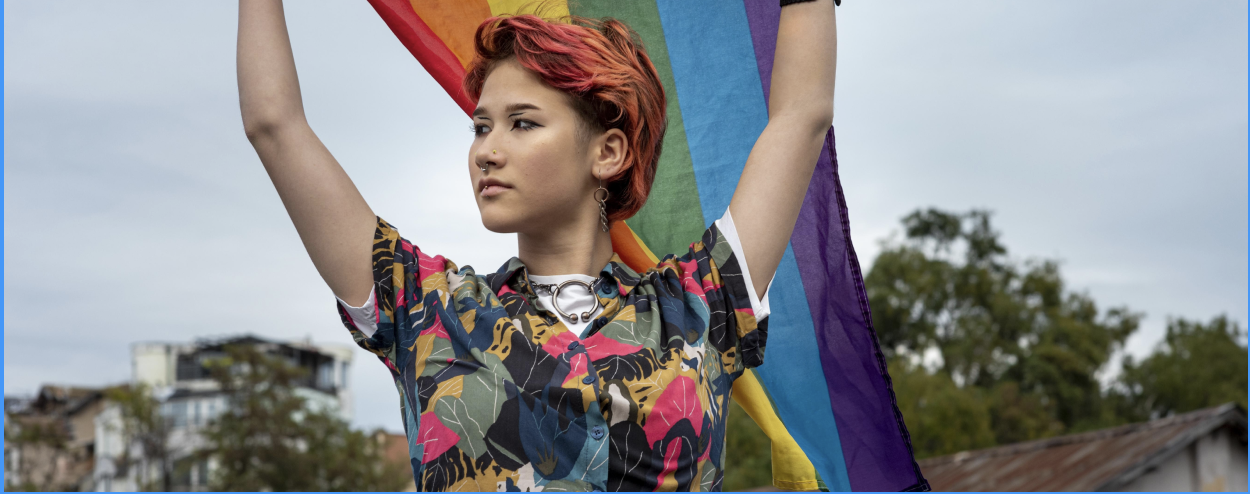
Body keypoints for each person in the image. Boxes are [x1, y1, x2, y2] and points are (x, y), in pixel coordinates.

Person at [237, 0, 836, 490]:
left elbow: (801, 114)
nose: (486, 150)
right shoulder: (422, 308)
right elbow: (274, 124)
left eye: (522, 122)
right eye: (480, 126)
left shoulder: (701, 306)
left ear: (608, 152)